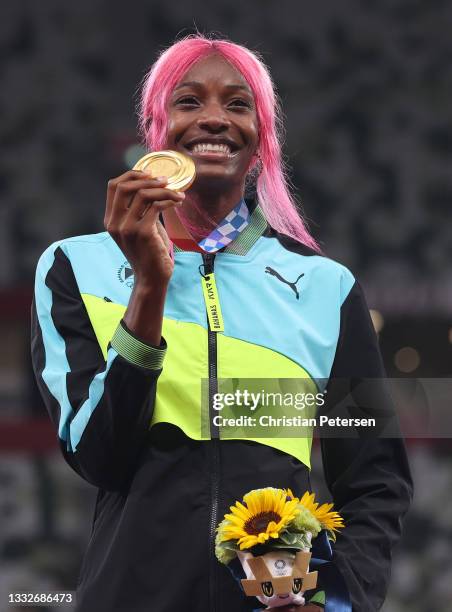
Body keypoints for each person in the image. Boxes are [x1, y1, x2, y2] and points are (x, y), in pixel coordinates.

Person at [30, 35, 413, 612]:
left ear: (262, 138)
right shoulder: (73, 267)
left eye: (238, 104)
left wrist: (336, 602)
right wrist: (149, 288)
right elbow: (98, 456)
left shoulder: (326, 288)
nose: (214, 117)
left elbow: (375, 481)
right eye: (188, 102)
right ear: (158, 129)